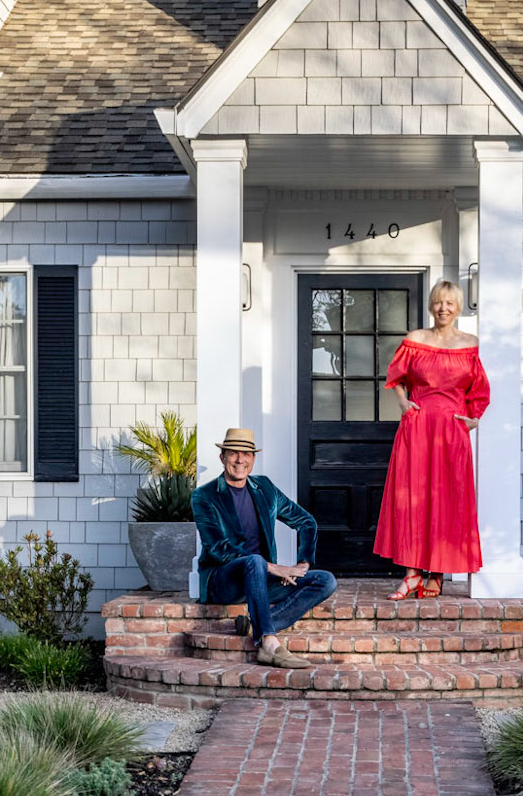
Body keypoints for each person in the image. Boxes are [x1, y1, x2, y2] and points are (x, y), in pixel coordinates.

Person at [372, 280, 489, 598]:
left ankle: (435, 574)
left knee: (446, 500)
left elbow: (479, 390)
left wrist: (474, 418)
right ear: (431, 305)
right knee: (412, 498)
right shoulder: (415, 339)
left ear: (459, 306)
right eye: (438, 302)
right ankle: (412, 574)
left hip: (452, 432)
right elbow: (396, 377)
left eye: (450, 303)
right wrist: (403, 403)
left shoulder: (470, 343)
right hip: (418, 427)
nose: (444, 308)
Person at [192, 428, 337, 667]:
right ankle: (269, 644)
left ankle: (255, 623)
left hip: (260, 579)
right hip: (224, 581)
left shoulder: (264, 488)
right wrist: (274, 568)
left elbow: (305, 521)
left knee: (325, 580)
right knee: (254, 561)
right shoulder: (204, 496)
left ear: (253, 459)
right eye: (233, 454)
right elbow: (218, 548)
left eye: (246, 454)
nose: (240, 460)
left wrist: (302, 564)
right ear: (222, 457)